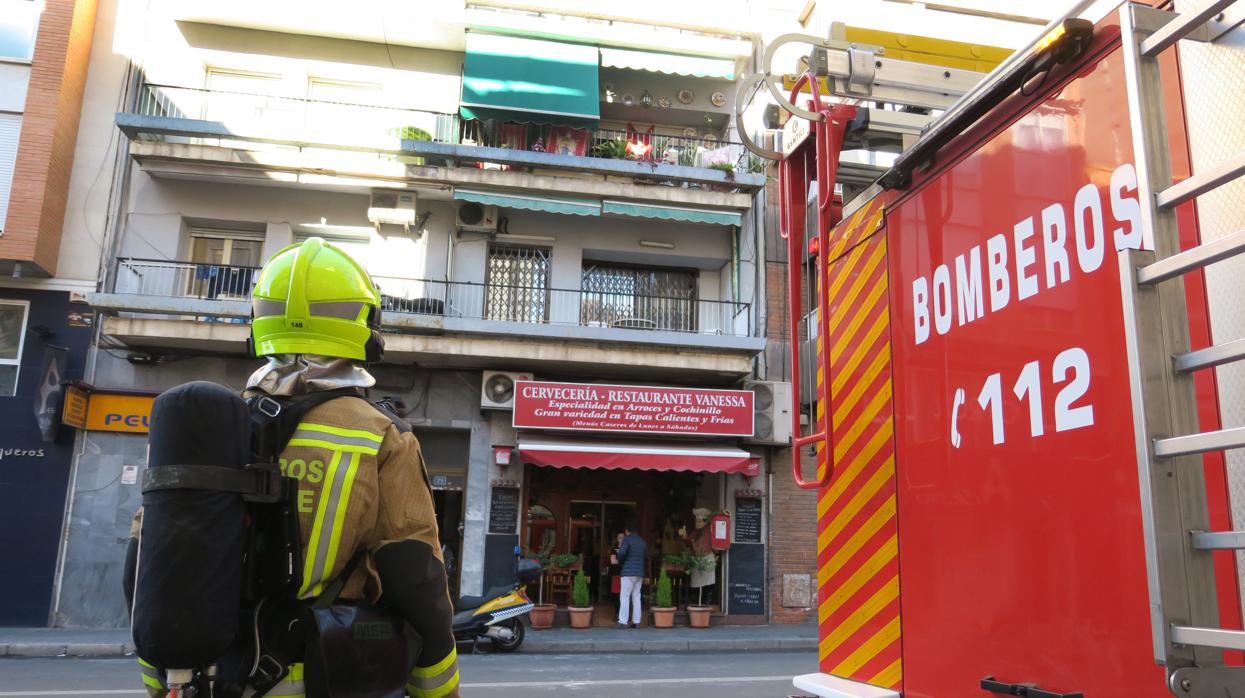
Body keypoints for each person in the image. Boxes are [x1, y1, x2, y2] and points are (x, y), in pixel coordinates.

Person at [133, 238, 460, 698]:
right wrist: (440, 692)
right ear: (364, 327)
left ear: (261, 322)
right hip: (323, 677)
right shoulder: (379, 435)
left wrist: (163, 678)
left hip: (207, 681)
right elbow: (416, 578)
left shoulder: (204, 431)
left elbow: (149, 561)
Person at [616, 522, 647, 628]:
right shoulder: (642, 541)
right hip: (639, 573)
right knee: (636, 596)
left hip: (628, 572)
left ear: (627, 531)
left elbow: (622, 553)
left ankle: (623, 621)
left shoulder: (627, 540)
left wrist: (620, 561)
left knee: (624, 596)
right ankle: (636, 622)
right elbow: (646, 556)